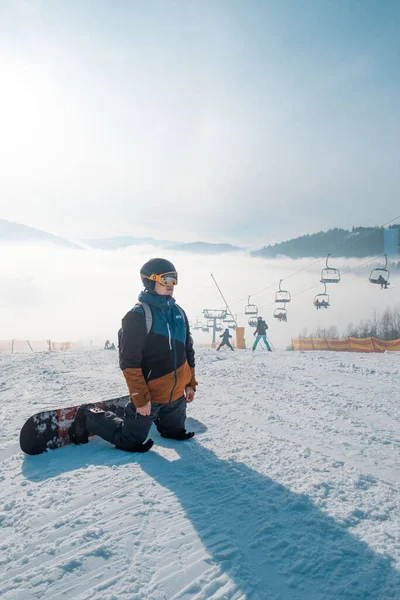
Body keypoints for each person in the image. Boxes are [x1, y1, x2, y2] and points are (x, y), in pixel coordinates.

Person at [68, 258, 198, 452]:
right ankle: (88, 416)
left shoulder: (179, 312)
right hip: (151, 395)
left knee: (174, 431)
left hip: (176, 396)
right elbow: (129, 363)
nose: (172, 285)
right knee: (129, 439)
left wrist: (190, 384)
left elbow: (188, 350)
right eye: (166, 280)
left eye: (174, 279)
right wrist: (140, 397)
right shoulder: (137, 315)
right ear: (149, 281)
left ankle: (162, 420)